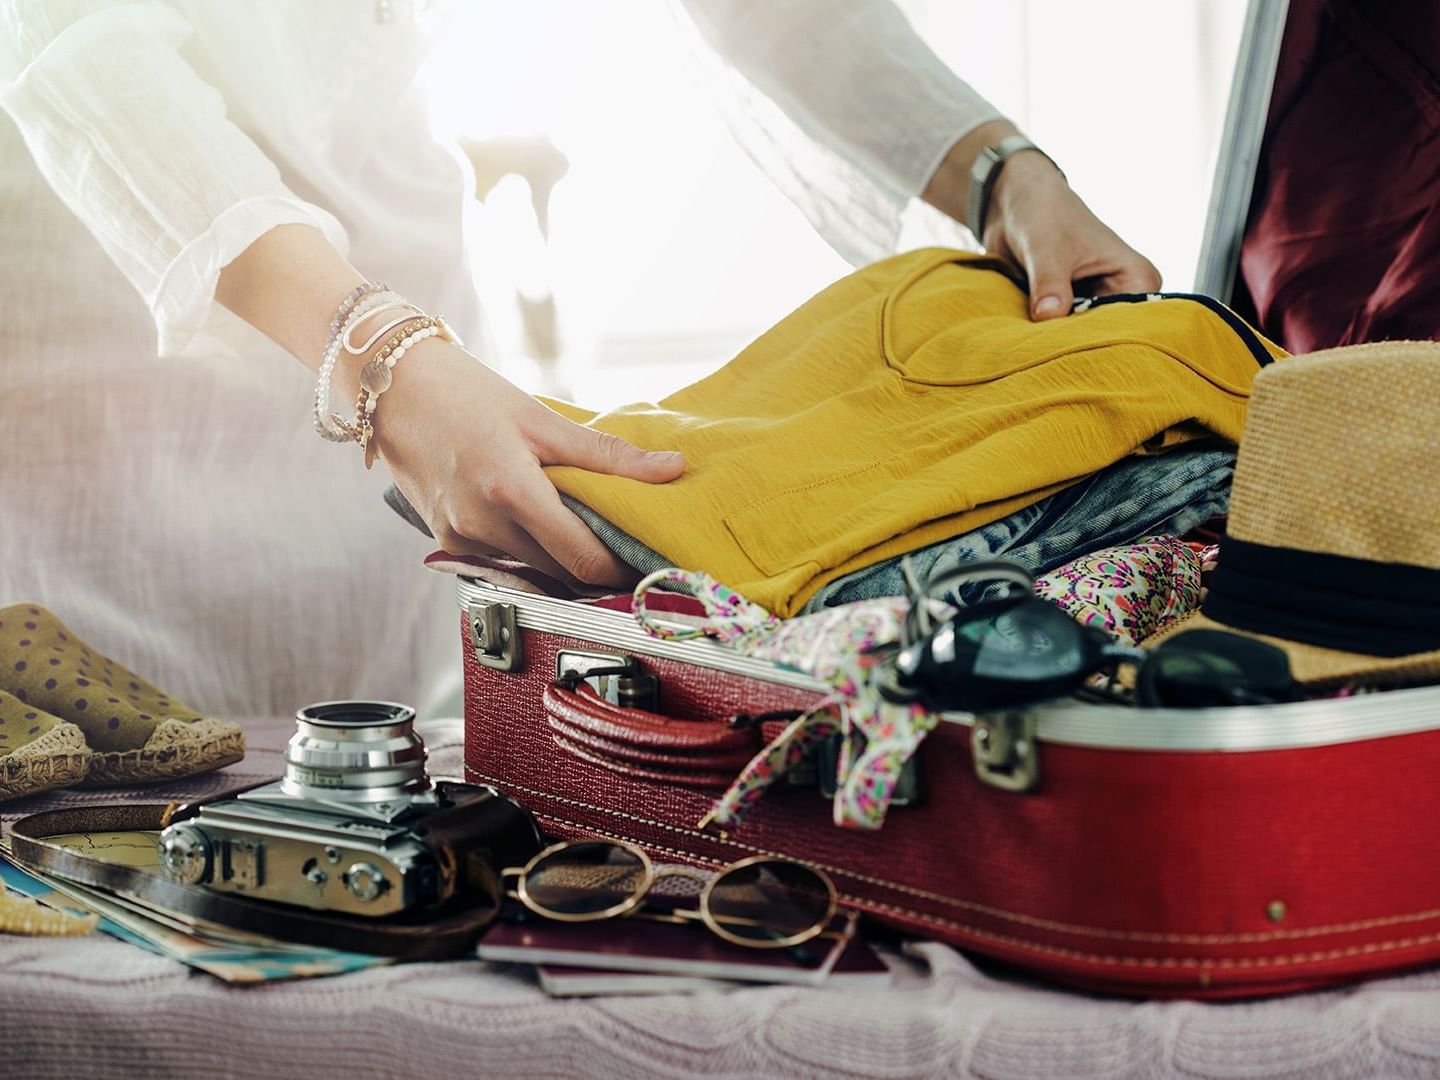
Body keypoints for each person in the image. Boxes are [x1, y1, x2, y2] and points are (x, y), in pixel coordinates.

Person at [0, 0, 1159, 721]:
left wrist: (1006, 174)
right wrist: (379, 357)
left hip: (403, 375)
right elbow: (80, 58)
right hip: (114, 386)